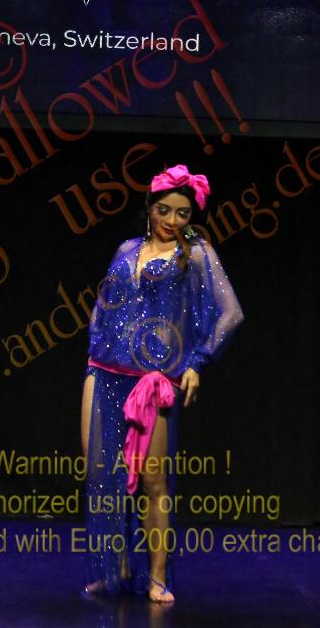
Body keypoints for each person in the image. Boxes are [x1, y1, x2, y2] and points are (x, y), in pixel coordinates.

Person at [80, 164, 244, 604]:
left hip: (151, 382)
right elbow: (104, 303)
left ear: (192, 216)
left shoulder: (197, 254)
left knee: (154, 482)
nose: (172, 220)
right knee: (103, 475)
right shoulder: (126, 249)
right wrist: (97, 341)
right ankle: (114, 569)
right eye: (164, 210)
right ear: (150, 208)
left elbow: (231, 313)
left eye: (182, 213)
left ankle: (156, 576)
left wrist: (197, 362)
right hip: (104, 371)